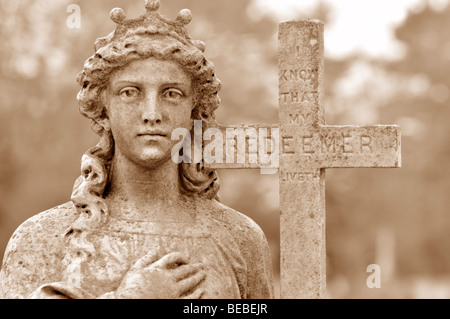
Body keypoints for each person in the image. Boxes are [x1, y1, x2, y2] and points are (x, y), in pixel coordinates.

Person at [0, 0, 273, 299]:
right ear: (104, 109)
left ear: (194, 110)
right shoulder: (41, 238)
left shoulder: (239, 238)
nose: (152, 113)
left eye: (172, 93)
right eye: (130, 92)